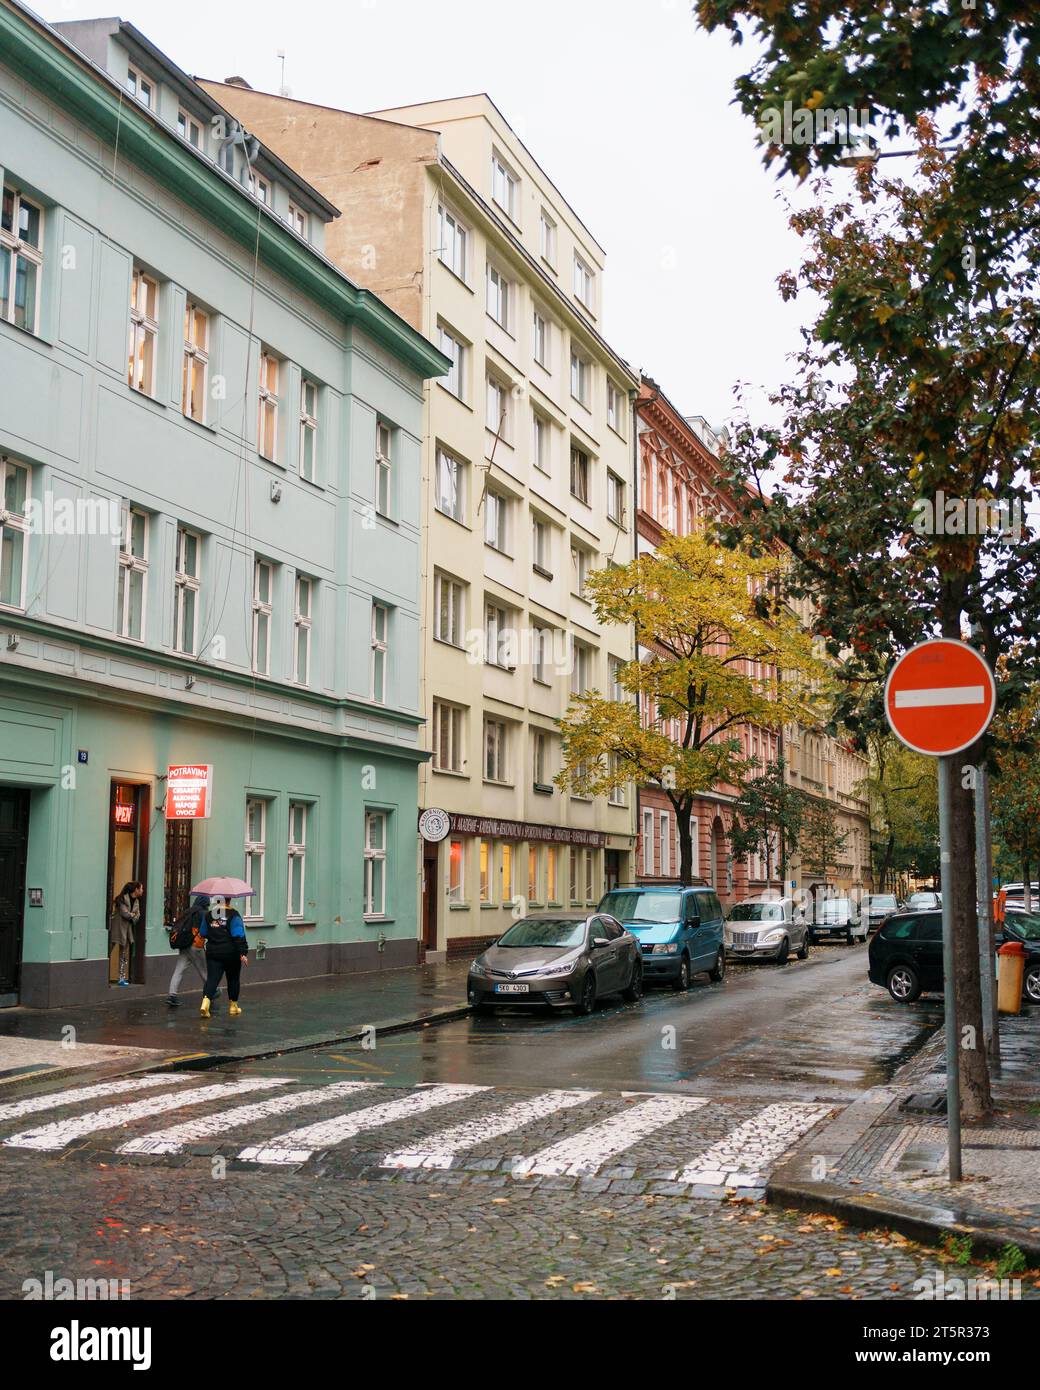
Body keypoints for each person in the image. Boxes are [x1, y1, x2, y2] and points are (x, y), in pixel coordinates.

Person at [198, 896, 248, 1018]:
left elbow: (203, 933)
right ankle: (233, 1006)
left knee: (212, 979)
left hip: (213, 953)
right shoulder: (233, 915)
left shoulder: (209, 915)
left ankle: (205, 1002)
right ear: (229, 900)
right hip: (231, 954)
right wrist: (243, 953)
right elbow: (238, 935)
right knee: (233, 979)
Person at [166, 895, 209, 1007]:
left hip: (184, 945)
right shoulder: (203, 913)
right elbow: (206, 930)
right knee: (205, 972)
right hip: (196, 946)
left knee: (178, 970)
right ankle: (212, 992)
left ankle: (172, 996)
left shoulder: (188, 911)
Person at [109, 882, 143, 986]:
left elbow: (138, 916)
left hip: (127, 930)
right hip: (118, 928)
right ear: (136, 890)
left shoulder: (136, 901)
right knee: (109, 949)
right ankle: (103, 973)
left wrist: (132, 915)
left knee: (123, 954)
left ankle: (121, 978)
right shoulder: (122, 898)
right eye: (141, 889)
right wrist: (132, 915)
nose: (142, 891)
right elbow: (125, 914)